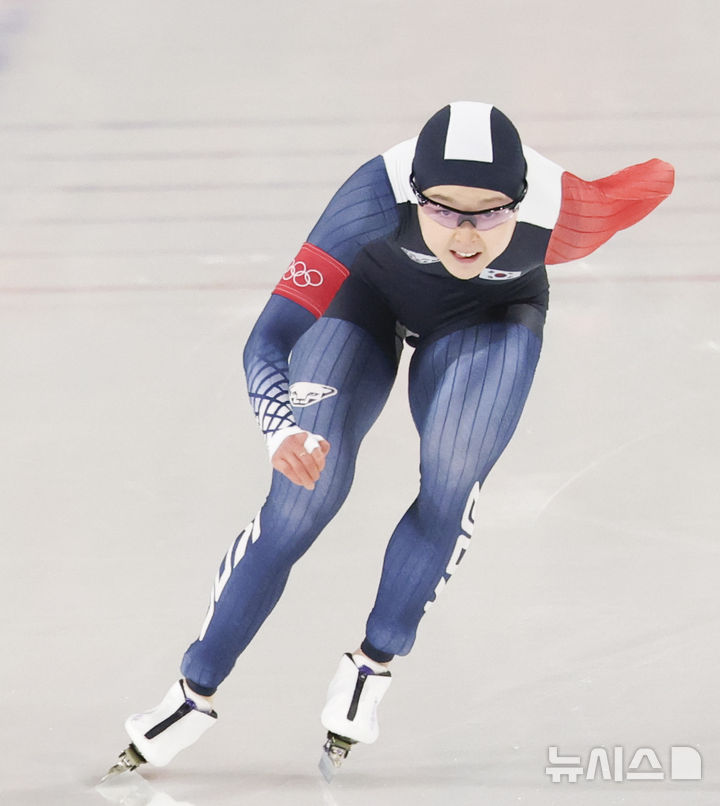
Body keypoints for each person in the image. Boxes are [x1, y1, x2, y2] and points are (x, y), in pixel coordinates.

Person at [105, 102, 674, 778]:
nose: (465, 237)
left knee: (452, 472)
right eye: (442, 210)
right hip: (364, 298)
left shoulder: (568, 212)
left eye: (490, 214)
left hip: (490, 317)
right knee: (300, 502)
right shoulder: (368, 200)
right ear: (412, 195)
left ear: (521, 201)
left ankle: (373, 664)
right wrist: (279, 427)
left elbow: (650, 181)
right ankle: (191, 691)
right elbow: (269, 336)